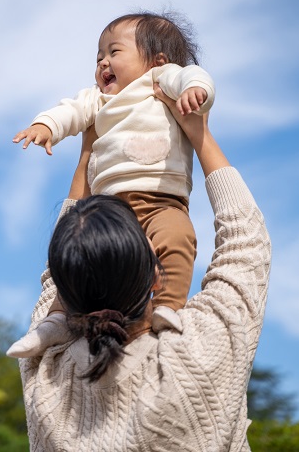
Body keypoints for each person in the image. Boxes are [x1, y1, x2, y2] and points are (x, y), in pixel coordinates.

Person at [16, 86, 271, 451]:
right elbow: (247, 243)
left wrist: (89, 152)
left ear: (64, 294)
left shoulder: (46, 372)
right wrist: (198, 133)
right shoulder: (197, 352)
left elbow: (62, 265)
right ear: (155, 274)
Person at [9, 12, 215, 357]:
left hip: (163, 202)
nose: (103, 62)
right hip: (109, 209)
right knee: (82, 258)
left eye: (114, 52)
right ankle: (55, 320)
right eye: (99, 57)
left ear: (156, 61)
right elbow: (70, 111)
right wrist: (45, 126)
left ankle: (167, 308)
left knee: (179, 239)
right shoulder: (99, 99)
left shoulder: (162, 81)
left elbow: (194, 75)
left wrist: (197, 90)